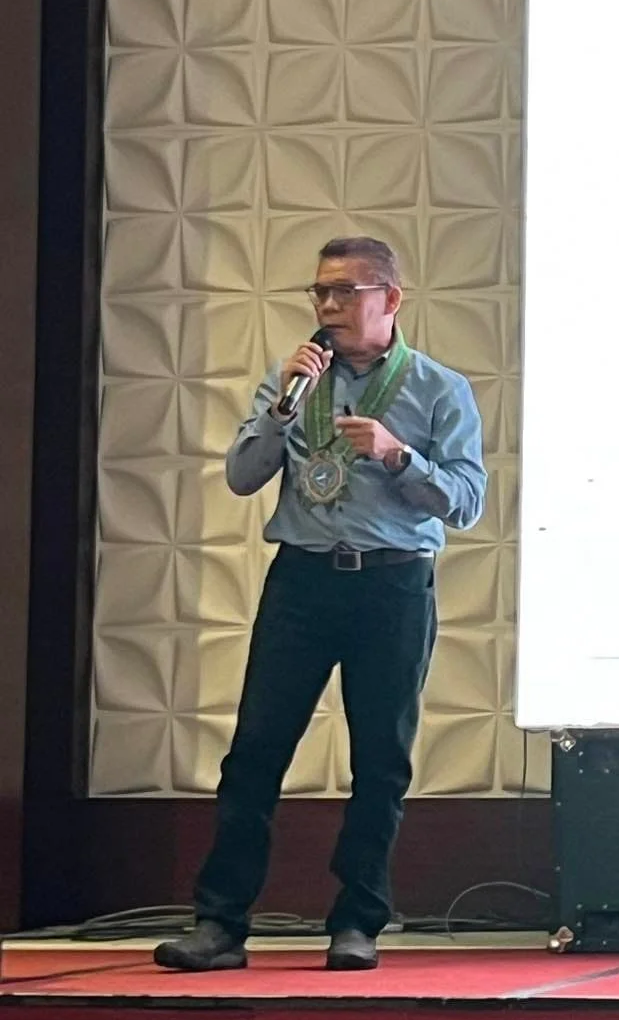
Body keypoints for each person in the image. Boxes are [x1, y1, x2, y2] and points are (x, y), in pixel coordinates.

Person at [154, 237, 487, 972]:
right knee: (255, 753)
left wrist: (398, 454)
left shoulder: (439, 389)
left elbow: (466, 501)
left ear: (390, 299)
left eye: (346, 292)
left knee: (381, 761)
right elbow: (242, 476)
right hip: (302, 583)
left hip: (392, 586)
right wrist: (281, 409)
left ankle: (357, 922)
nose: (329, 306)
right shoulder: (294, 382)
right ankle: (219, 923)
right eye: (320, 292)